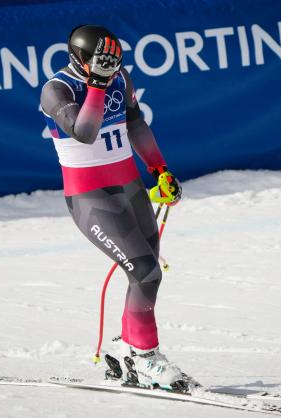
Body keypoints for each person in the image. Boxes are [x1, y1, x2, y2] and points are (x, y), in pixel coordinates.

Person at [40, 25, 192, 391]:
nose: (111, 67)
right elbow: (84, 131)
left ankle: (129, 352)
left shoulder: (120, 77)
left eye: (115, 61)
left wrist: (159, 169)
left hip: (130, 188)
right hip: (91, 197)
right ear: (80, 59)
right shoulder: (56, 90)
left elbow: (136, 123)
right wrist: (97, 83)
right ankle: (146, 356)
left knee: (146, 271)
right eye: (102, 62)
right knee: (145, 271)